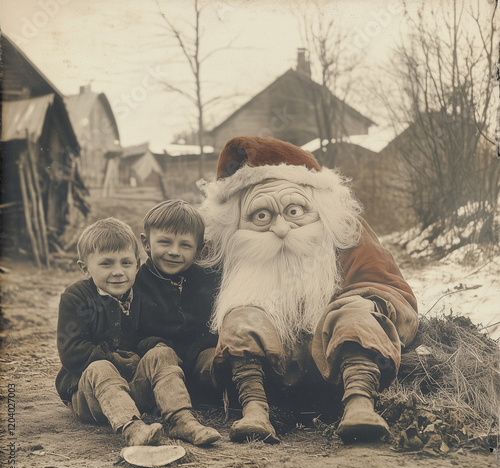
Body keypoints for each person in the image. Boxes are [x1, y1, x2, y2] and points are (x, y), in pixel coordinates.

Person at [197, 136, 419, 444]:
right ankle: (255, 410)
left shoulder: (346, 233)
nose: (281, 229)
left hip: (337, 358)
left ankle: (359, 403)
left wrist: (356, 306)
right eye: (261, 216)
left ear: (319, 207)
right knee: (241, 319)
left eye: (294, 212)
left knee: (357, 310)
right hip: (270, 373)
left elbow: (388, 287)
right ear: (236, 224)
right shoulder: (224, 253)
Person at [56, 217, 164, 446]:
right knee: (101, 367)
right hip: (88, 396)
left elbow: (146, 334)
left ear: (137, 263)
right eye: (106, 264)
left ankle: (180, 417)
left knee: (162, 353)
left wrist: (151, 348)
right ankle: (132, 428)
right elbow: (72, 350)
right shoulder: (76, 297)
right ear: (85, 268)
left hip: (131, 390)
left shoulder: (140, 296)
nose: (118, 272)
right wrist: (112, 358)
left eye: (126, 263)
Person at [135, 200, 221, 446]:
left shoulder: (205, 281)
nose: (174, 251)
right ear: (146, 243)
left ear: (200, 248)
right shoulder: (137, 284)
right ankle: (179, 420)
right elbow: (132, 336)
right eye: (165, 242)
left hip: (194, 363)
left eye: (185, 245)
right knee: (162, 354)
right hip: (158, 368)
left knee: (220, 357)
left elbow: (210, 327)